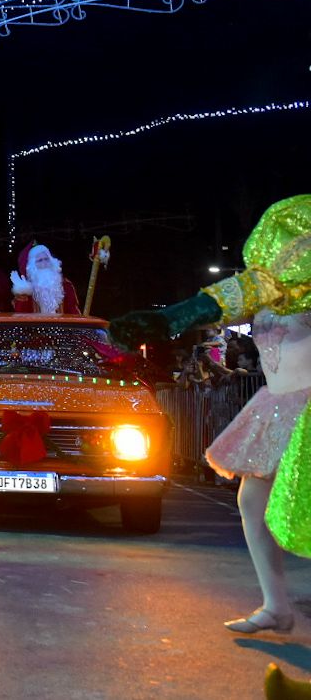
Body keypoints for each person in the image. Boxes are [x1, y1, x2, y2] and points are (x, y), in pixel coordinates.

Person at [112, 195, 311, 636]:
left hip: (308, 412)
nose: (287, 252)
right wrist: (165, 320)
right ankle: (276, 606)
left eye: (294, 245)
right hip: (276, 408)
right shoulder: (268, 291)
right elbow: (222, 300)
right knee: (252, 503)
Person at [11, 243, 82, 314]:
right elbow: (21, 314)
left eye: (46, 259)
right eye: (40, 260)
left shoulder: (66, 285)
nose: (44, 263)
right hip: (36, 325)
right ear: (33, 266)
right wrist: (22, 292)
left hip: (60, 324)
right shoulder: (27, 289)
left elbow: (73, 311)